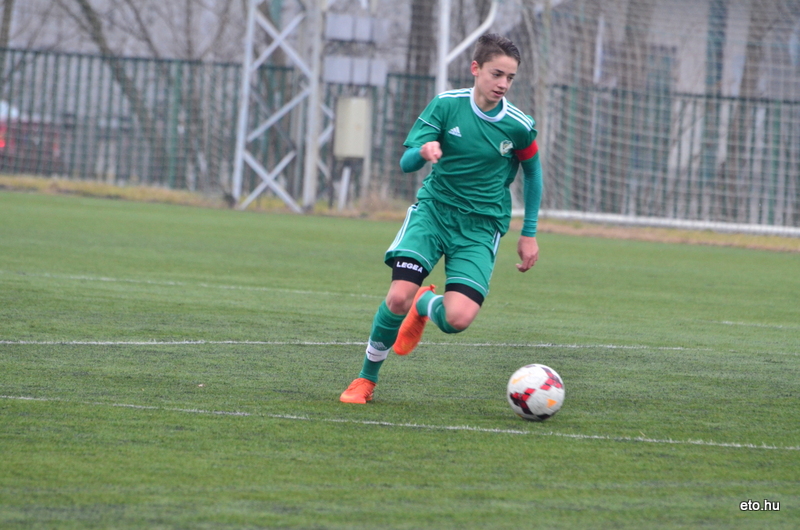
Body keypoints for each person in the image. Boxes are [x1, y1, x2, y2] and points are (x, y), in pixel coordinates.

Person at [340, 33, 543, 404]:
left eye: (510, 78)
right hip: (434, 213)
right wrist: (424, 151)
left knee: (457, 320)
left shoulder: (518, 124)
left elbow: (533, 173)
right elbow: (406, 163)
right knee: (397, 296)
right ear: (475, 69)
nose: (503, 84)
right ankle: (365, 379)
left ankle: (425, 305)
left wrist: (528, 233)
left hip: (481, 227)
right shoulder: (446, 106)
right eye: (497, 74)